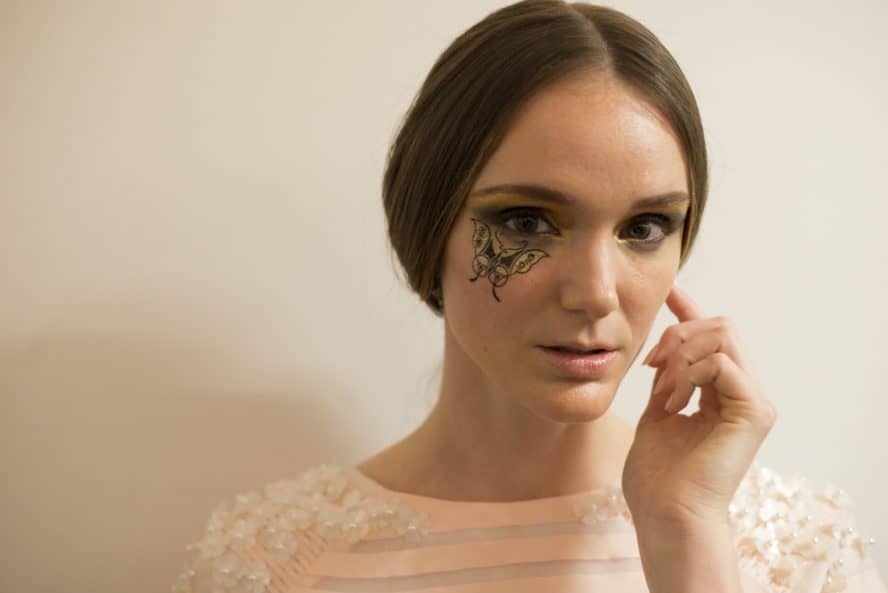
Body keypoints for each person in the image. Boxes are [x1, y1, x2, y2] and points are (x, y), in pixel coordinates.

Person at [171, 1, 885, 592]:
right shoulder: (268, 565)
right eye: (526, 221)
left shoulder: (796, 555)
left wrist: (687, 535)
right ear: (429, 225)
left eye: (644, 226)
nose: (596, 294)